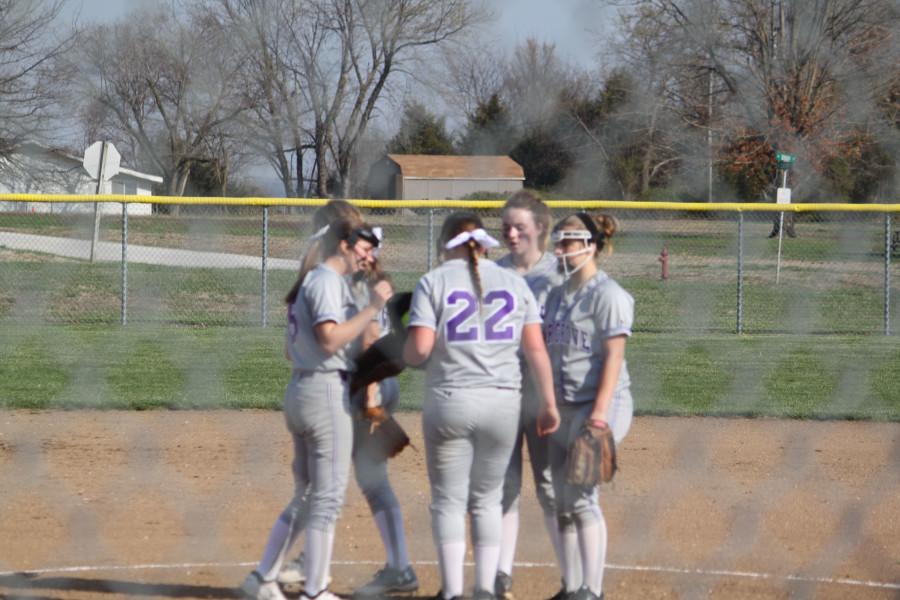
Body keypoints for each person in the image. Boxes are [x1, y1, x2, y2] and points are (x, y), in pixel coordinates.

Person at [403, 211, 561, 600]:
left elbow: (420, 349)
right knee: (490, 499)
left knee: (449, 500)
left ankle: (453, 592)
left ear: (446, 244)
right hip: (502, 402)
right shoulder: (513, 281)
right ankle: (486, 589)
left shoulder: (434, 281)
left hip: (450, 400)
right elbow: (536, 349)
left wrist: (401, 349)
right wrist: (549, 403)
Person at [240, 216, 391, 600]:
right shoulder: (326, 281)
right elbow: (328, 339)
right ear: (343, 243)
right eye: (364, 245)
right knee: (327, 497)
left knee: (308, 495)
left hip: (302, 388)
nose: (369, 253)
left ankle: (262, 578)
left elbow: (291, 350)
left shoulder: (311, 281)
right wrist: (372, 307)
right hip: (325, 392)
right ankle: (317, 589)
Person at [278, 201, 418, 597]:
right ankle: (394, 565)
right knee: (355, 476)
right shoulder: (364, 257)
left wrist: (368, 395)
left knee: (324, 477)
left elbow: (372, 334)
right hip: (368, 378)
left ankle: (320, 562)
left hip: (362, 381)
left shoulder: (343, 267)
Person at [543, 212, 635, 600]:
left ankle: (591, 591)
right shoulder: (557, 295)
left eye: (568, 242)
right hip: (564, 403)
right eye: (558, 242)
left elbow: (613, 357)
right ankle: (571, 586)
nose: (560, 249)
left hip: (602, 401)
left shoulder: (609, 295)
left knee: (581, 495)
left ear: (591, 245)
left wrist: (599, 416)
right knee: (559, 498)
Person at [494, 190, 567, 600]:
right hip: (501, 390)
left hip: (545, 393)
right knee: (503, 485)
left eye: (519, 226)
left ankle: (572, 579)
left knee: (549, 487)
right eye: (506, 226)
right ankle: (500, 576)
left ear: (540, 228)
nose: (510, 233)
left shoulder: (559, 273)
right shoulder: (492, 272)